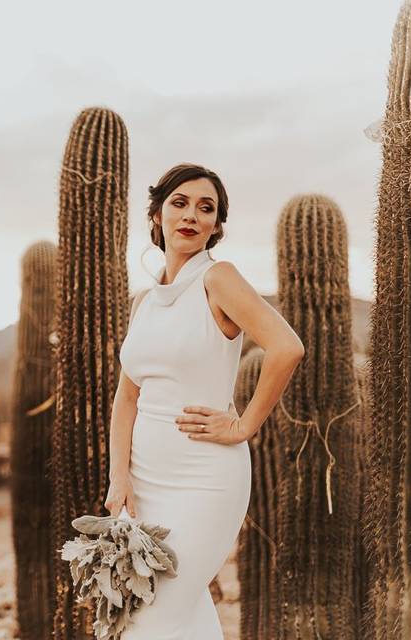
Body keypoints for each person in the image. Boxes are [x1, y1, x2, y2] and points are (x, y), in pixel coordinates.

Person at [106, 163, 304, 638]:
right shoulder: (145, 303)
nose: (191, 215)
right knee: (174, 614)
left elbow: (287, 347)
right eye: (180, 203)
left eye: (206, 207)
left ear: (216, 227)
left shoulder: (219, 279)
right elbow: (126, 397)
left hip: (204, 482)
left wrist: (243, 426)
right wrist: (119, 479)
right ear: (157, 214)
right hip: (143, 484)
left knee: (152, 615)